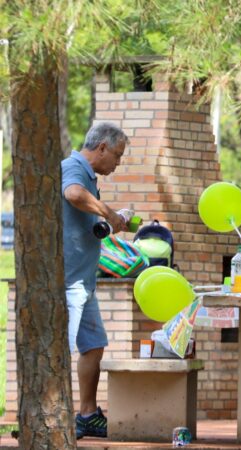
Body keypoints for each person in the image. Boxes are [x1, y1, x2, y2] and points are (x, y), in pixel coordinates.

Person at [62, 122, 129, 439]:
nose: (117, 163)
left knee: (93, 346)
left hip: (84, 283)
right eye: (117, 155)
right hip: (66, 283)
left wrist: (110, 223)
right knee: (59, 352)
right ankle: (55, 418)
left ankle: (87, 414)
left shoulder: (89, 177)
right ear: (101, 147)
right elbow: (73, 194)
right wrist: (108, 212)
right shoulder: (73, 167)